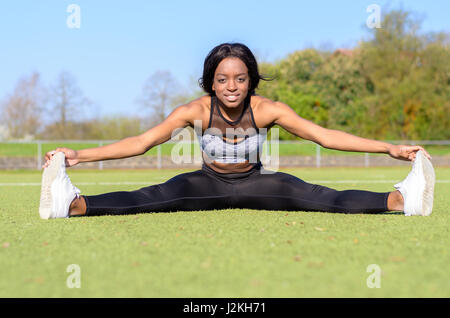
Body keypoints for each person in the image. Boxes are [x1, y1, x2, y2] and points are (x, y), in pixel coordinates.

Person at [38, 43, 435, 219]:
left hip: (257, 182)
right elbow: (141, 143)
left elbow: (325, 136)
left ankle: (401, 200)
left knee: (317, 195)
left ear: (251, 81)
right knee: (155, 195)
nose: (232, 86)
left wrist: (389, 148)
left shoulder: (267, 110)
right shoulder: (193, 110)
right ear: (211, 81)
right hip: (205, 183)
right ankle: (72, 205)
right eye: (224, 79)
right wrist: (78, 155)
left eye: (241, 79)